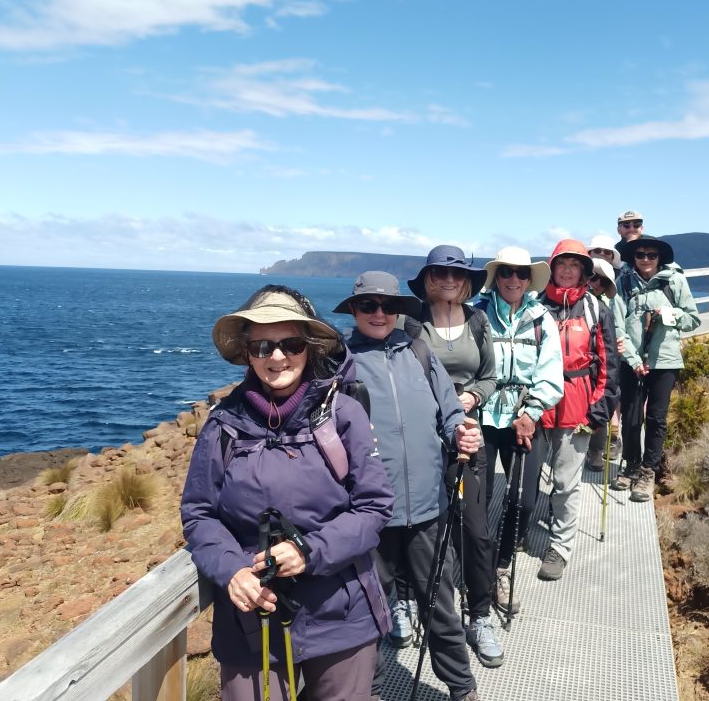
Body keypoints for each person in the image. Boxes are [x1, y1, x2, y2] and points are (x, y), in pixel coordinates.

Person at [181, 285, 394, 701]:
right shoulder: (222, 425)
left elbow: (374, 506)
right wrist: (231, 571)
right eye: (262, 346)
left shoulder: (343, 414)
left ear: (308, 348)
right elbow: (199, 513)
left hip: (341, 613)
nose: (277, 357)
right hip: (251, 616)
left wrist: (309, 551)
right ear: (247, 354)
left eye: (290, 344)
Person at [334, 271, 483, 701]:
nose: (379, 314)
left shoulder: (418, 351)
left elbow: (450, 411)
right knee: (371, 609)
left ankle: (461, 687)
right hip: (369, 512)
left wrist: (461, 432)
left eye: (388, 305)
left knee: (441, 604)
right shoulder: (341, 361)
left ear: (400, 311)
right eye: (368, 306)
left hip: (427, 505)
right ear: (355, 310)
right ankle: (371, 691)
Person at [407, 245, 501, 668]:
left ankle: (480, 615)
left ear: (466, 281)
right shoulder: (412, 322)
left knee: (476, 530)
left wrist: (472, 396)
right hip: (423, 441)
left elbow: (490, 376)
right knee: (424, 526)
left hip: (467, 438)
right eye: (439, 273)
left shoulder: (477, 320)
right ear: (428, 279)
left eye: (456, 273)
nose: (448, 279)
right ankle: (415, 601)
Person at [473, 246, 563, 615]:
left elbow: (551, 373)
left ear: (529, 280)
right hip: (480, 417)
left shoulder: (542, 318)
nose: (513, 279)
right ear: (496, 277)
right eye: (506, 272)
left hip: (524, 419)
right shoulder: (476, 315)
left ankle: (502, 565)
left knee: (524, 502)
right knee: (476, 501)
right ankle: (479, 573)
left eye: (521, 274)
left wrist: (533, 410)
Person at [531, 239, 619, 581]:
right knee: (528, 477)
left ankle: (560, 546)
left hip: (578, 404)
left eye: (575, 265)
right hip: (538, 403)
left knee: (567, 481)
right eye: (561, 264)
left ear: (584, 271)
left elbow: (608, 365)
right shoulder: (535, 306)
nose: (567, 270)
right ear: (552, 268)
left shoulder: (597, 309)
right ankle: (527, 523)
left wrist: (598, 410)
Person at [615, 236, 701, 502]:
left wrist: (670, 314)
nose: (645, 259)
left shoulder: (674, 281)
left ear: (659, 258)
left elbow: (692, 319)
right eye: (640, 254)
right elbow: (618, 325)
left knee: (656, 418)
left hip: (665, 361)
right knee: (630, 416)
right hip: (633, 361)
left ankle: (648, 470)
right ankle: (630, 462)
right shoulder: (624, 282)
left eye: (651, 255)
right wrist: (633, 358)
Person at [583, 255, 627, 472]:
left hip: (596, 364)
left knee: (597, 405)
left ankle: (595, 451)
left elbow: (617, 332)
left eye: (602, 281)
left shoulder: (604, 309)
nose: (595, 283)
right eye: (592, 276)